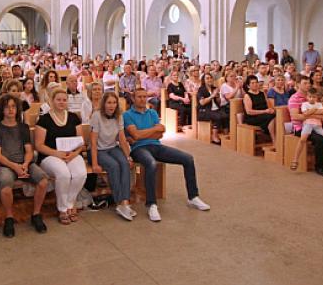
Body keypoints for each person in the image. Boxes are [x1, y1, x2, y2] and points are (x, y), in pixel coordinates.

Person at [124, 89, 210, 222]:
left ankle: (193, 197)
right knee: (151, 164)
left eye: (144, 96)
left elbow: (161, 132)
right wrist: (152, 130)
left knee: (188, 158)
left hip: (156, 146)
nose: (142, 99)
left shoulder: (151, 112)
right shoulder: (127, 115)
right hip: (138, 149)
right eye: (139, 97)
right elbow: (135, 135)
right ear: (133, 99)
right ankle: (151, 204)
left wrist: (143, 133)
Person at [0, 94, 49, 237]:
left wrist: (24, 163)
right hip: (7, 165)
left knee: (43, 180)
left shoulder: (23, 127)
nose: (11, 110)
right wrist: (15, 167)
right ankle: (9, 217)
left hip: (24, 163)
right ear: (1, 110)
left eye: (13, 106)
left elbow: (29, 150)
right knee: (5, 185)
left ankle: (36, 214)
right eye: (7, 107)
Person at [34, 88, 87, 225]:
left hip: (72, 154)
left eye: (64, 100)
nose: (62, 102)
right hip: (50, 155)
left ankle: (70, 203)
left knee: (80, 173)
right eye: (58, 99)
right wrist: (57, 153)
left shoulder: (74, 117)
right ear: (51, 101)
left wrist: (75, 153)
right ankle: (63, 209)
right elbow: (39, 145)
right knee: (63, 174)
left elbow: (81, 141)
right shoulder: (44, 119)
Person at [90, 92, 135, 221]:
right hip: (98, 150)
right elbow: (93, 142)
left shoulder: (119, 116)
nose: (111, 105)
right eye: (109, 102)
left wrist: (128, 156)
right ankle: (119, 202)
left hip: (112, 147)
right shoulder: (96, 116)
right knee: (114, 166)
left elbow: (121, 138)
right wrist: (94, 163)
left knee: (125, 164)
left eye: (114, 103)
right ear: (104, 103)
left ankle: (125, 202)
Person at [288, 76, 323, 176]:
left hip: (316, 124)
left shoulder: (313, 97)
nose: (308, 85)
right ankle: (319, 167)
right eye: (305, 83)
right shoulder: (294, 98)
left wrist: (310, 114)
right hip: (300, 127)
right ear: (297, 85)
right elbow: (295, 116)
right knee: (320, 139)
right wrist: (314, 114)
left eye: (308, 83)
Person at [196, 73, 228, 144]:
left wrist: (218, 97)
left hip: (216, 109)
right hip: (204, 110)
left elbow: (219, 102)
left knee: (225, 116)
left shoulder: (214, 88)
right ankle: (214, 136)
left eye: (210, 78)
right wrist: (212, 96)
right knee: (218, 117)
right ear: (203, 80)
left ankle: (226, 136)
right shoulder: (201, 89)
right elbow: (202, 102)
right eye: (207, 78)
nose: (209, 80)